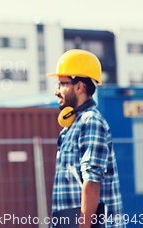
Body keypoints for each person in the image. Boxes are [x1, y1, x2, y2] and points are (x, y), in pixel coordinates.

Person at [47, 49, 124, 228]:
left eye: (61, 84)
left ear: (79, 87)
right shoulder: (71, 126)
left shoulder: (91, 122)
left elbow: (92, 181)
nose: (56, 91)